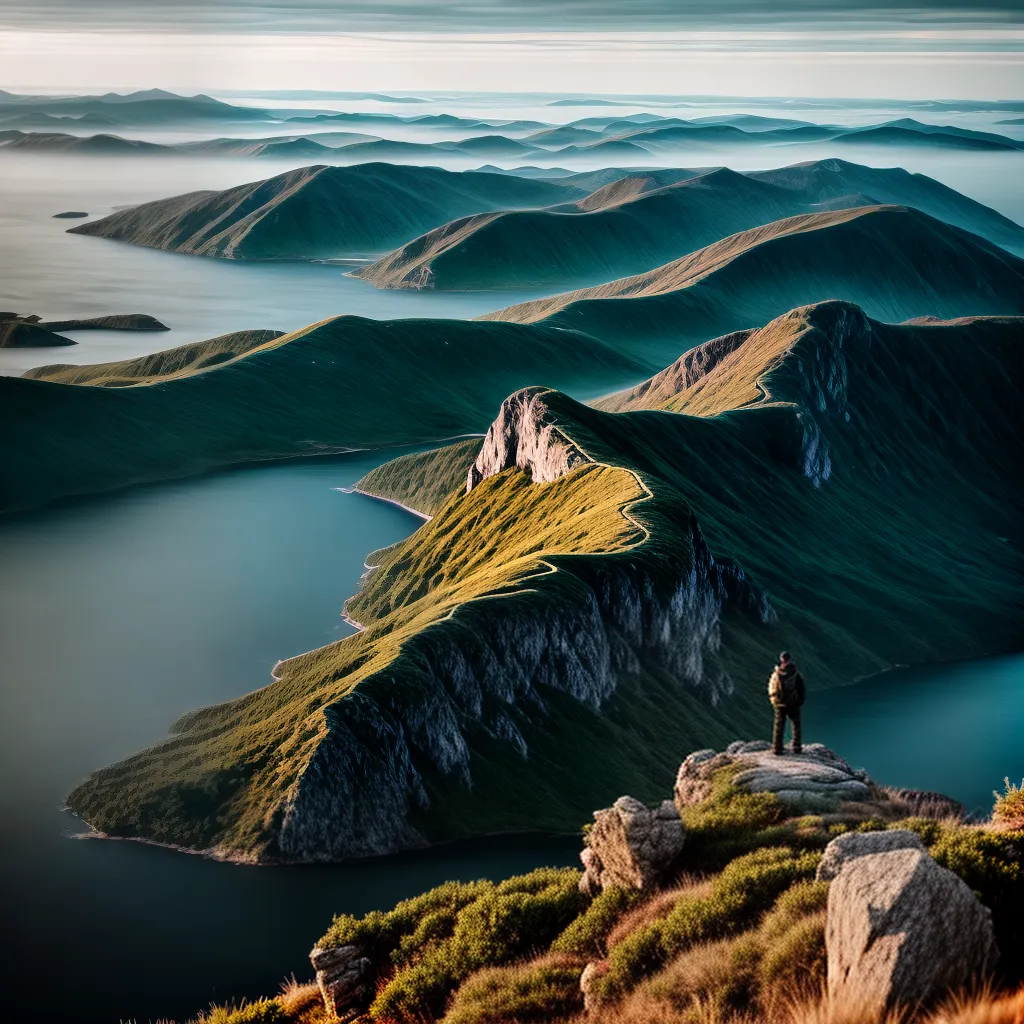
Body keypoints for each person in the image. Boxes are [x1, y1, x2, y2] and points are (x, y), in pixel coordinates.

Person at [768, 651, 805, 755]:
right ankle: (796, 747)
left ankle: (777, 748)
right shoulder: (795, 673)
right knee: (796, 725)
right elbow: (801, 688)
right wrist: (800, 701)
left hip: (779, 703)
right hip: (793, 703)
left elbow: (771, 687)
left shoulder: (776, 673)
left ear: (781, 659)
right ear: (789, 659)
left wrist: (774, 700)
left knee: (779, 725)